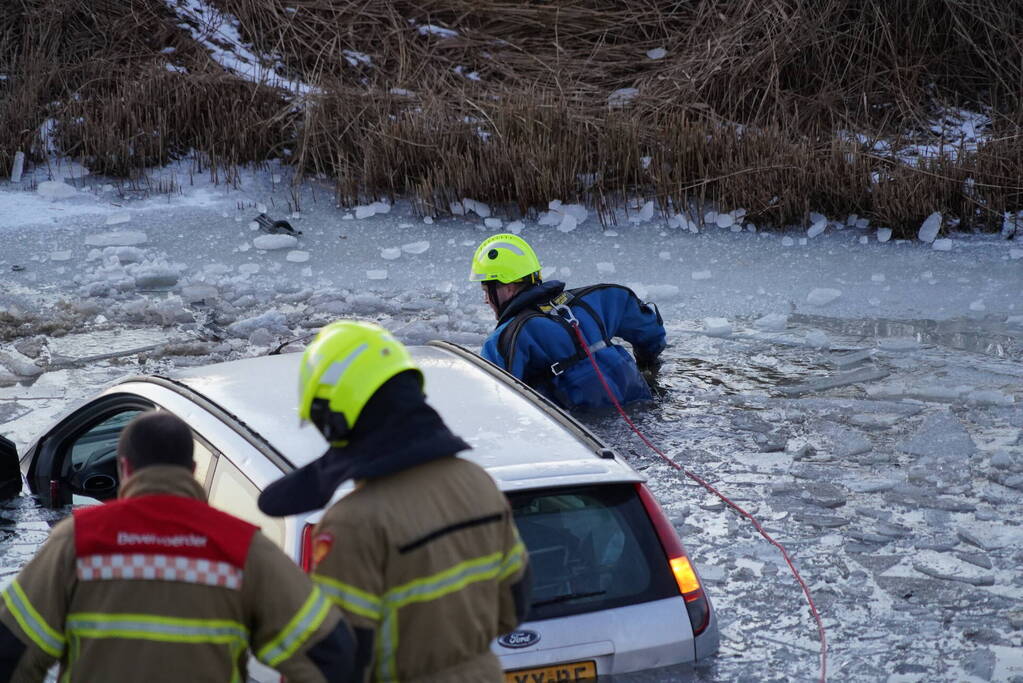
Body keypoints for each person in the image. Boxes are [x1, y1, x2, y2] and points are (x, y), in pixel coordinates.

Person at [257, 320, 531, 682]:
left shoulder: (353, 523)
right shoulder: (477, 483)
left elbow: (341, 660)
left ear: (336, 416)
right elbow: (514, 605)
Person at [0, 411, 355, 683]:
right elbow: (331, 654)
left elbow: (11, 651)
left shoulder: (77, 540)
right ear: (193, 469)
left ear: (124, 468)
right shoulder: (243, 547)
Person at [470, 233, 667, 411]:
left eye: (487, 291)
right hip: (641, 401)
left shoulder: (504, 339)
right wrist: (648, 366)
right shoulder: (594, 297)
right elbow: (650, 332)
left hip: (586, 431)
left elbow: (494, 405)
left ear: (509, 288)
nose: (486, 300)